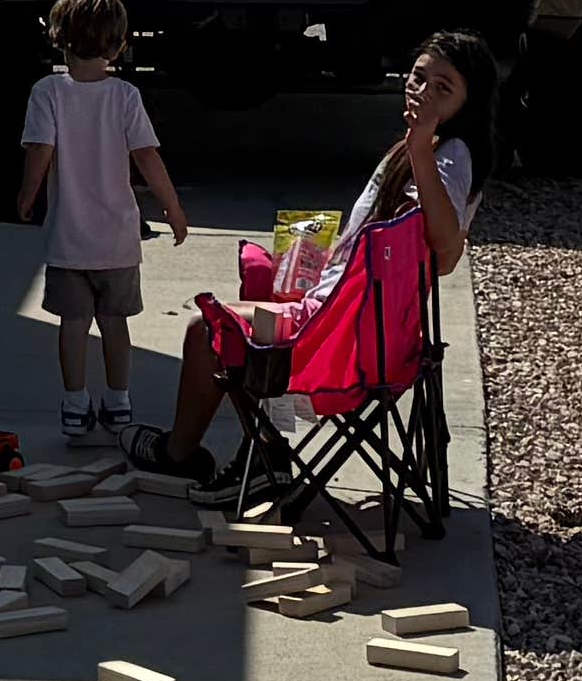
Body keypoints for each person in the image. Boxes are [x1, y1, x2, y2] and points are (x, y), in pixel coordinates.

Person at [142, 26, 492, 492]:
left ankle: (194, 456)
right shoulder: (427, 148)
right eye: (418, 76)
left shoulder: (448, 155)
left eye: (442, 87)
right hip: (363, 325)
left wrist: (420, 148)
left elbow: (444, 252)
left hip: (343, 340)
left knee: (208, 330)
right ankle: (260, 452)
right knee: (248, 302)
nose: (423, 90)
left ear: (469, 103)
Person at [6, 0, 184, 447]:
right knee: (115, 324)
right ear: (120, 44)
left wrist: (28, 197)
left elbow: (40, 152)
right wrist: (173, 208)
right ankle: (119, 399)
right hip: (119, 240)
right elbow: (148, 157)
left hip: (69, 239)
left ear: (57, 35)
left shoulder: (48, 93)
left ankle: (74, 403)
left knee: (72, 325)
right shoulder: (125, 96)